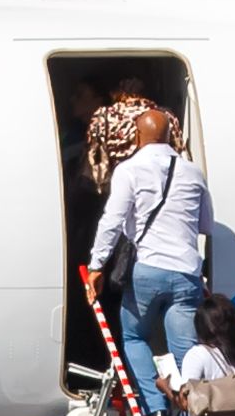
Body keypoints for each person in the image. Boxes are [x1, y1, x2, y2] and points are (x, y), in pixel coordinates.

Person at [89, 101, 216, 372]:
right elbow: (206, 225)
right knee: (186, 354)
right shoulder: (193, 172)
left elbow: (112, 221)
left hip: (147, 271)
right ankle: (190, 411)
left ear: (137, 136)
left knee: (135, 337)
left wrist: (96, 266)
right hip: (186, 273)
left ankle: (156, 408)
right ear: (170, 135)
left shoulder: (129, 170)